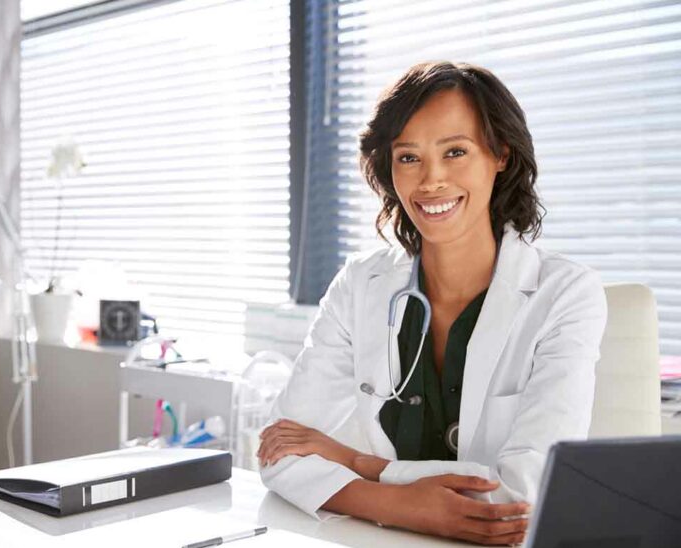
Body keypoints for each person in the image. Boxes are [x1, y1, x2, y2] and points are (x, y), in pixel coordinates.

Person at [256, 61, 608, 546]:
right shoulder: (360, 284)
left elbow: (522, 500)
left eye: (456, 152)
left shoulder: (566, 294)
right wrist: (397, 503)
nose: (430, 181)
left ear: (501, 155)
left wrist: (361, 466)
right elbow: (282, 452)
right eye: (408, 157)